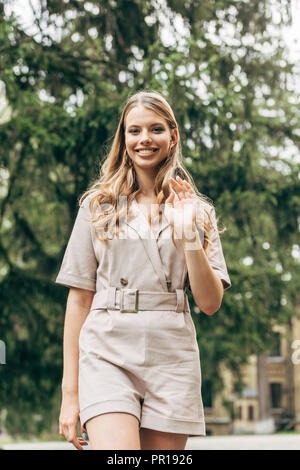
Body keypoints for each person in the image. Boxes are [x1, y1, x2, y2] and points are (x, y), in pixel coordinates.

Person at [56, 90, 231, 450]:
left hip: (172, 354)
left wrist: (188, 235)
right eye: (134, 131)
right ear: (124, 138)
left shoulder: (197, 211)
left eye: (155, 129)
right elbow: (79, 299)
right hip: (107, 348)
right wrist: (70, 394)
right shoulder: (97, 205)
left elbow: (210, 303)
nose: (145, 139)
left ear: (173, 135)